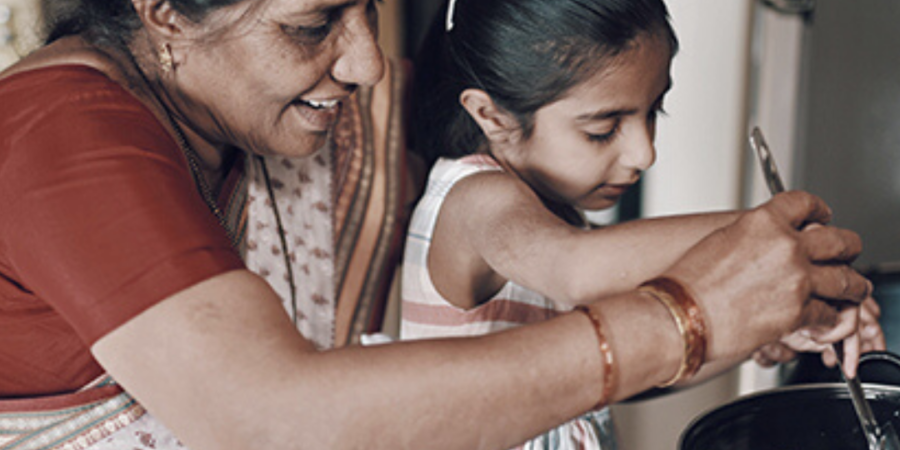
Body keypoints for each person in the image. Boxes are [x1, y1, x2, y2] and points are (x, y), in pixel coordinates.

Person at [0, 0, 879, 449]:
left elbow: (506, 371)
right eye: (311, 23)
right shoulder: (62, 135)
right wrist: (691, 311)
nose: (365, 61)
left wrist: (750, 301)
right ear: (161, 12)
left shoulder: (288, 127)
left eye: (364, 9)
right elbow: (269, 421)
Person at [400, 0, 885, 448]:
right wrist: (765, 234)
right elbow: (575, 266)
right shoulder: (474, 198)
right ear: (491, 115)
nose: (644, 153)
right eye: (602, 130)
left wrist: (761, 322)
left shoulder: (555, 211)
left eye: (654, 111)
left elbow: (636, 365)